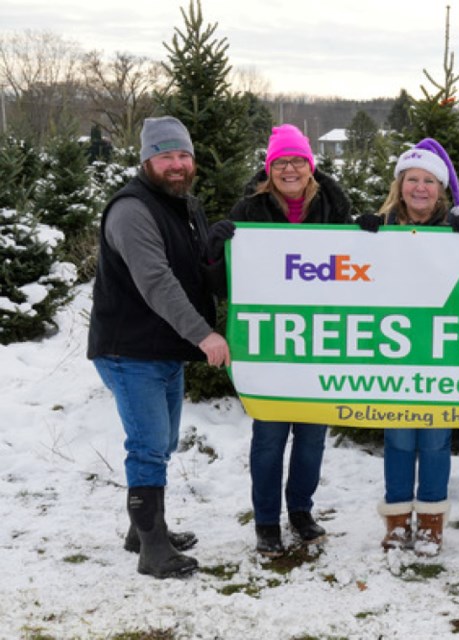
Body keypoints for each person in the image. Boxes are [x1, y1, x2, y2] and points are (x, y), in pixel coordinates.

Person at [88, 116, 230, 579]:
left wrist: (216, 253)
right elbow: (156, 282)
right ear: (147, 159)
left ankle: (143, 530)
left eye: (183, 155)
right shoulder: (132, 210)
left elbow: (193, 270)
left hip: (162, 349)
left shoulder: (182, 205)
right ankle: (153, 551)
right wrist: (204, 334)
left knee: (163, 442)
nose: (177, 164)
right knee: (149, 446)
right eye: (166, 155)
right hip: (130, 349)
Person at [226, 124, 353, 557]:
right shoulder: (250, 208)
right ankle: (265, 521)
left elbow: (358, 266)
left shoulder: (335, 205)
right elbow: (225, 278)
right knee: (270, 436)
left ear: (310, 166)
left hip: (321, 337)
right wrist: (217, 247)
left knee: (312, 436)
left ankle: (300, 510)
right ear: (269, 169)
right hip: (273, 340)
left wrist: (371, 233)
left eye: (298, 160)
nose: (290, 168)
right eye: (281, 162)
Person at [364, 138, 459, 556]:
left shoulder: (456, 227)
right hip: (396, 351)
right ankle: (395, 521)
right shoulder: (382, 226)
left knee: (434, 440)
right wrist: (361, 238)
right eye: (413, 180)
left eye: (429, 180)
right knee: (399, 439)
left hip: (441, 352)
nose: (421, 188)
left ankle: (430, 521)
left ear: (441, 188)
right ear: (400, 184)